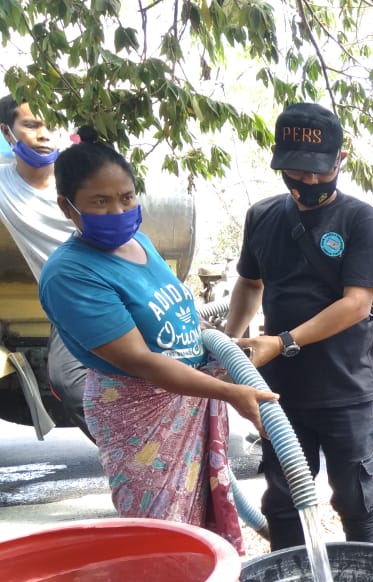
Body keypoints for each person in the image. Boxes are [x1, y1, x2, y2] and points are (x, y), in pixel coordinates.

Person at [37, 127, 276, 553]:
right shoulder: (71, 273)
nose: (118, 211)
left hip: (189, 393)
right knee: (164, 537)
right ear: (68, 207)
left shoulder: (140, 243)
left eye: (126, 197)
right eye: (99, 202)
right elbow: (140, 360)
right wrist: (228, 389)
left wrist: (226, 349)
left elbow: (176, 324)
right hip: (139, 414)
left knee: (203, 526)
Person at [225, 103, 373, 552]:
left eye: (320, 171)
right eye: (296, 172)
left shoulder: (360, 220)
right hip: (281, 391)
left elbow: (357, 304)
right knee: (284, 497)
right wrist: (228, 341)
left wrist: (281, 342)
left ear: (341, 160)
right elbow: (249, 282)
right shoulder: (262, 216)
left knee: (355, 495)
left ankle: (372, 573)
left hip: (345, 386)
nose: (309, 183)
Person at [0, 95, 90, 436]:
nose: (44, 134)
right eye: (32, 125)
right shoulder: (4, 182)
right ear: (7, 133)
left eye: (51, 125)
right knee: (68, 383)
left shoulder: (82, 176)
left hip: (116, 286)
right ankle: (134, 456)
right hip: (69, 302)